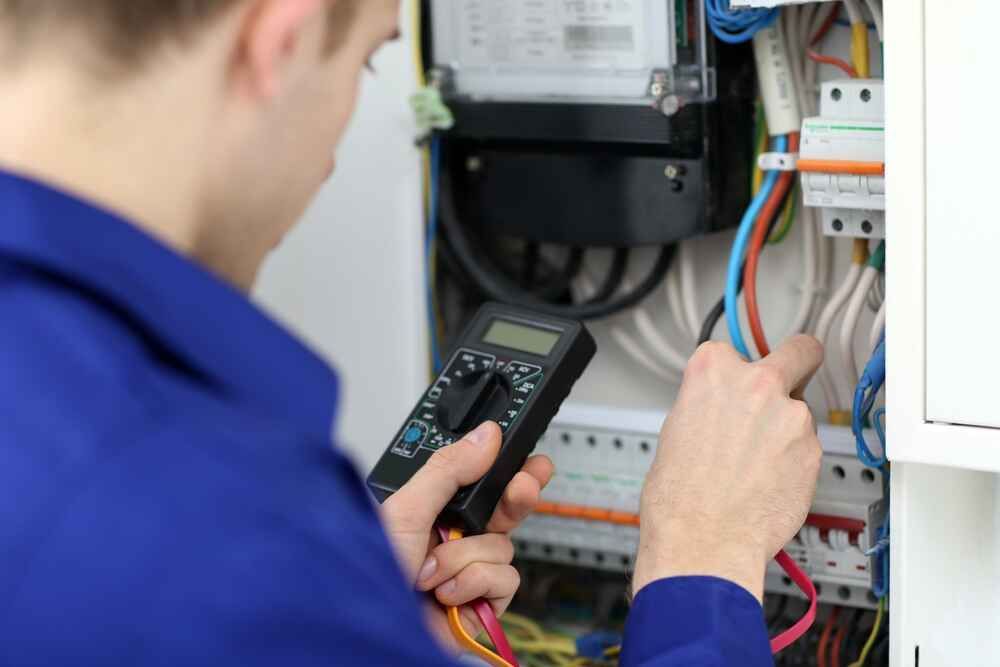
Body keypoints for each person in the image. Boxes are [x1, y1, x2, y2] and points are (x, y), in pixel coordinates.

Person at [0, 1, 824, 665]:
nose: (331, 153)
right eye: (363, 60)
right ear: (278, 42)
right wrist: (700, 560)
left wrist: (361, 603)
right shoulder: (219, 541)